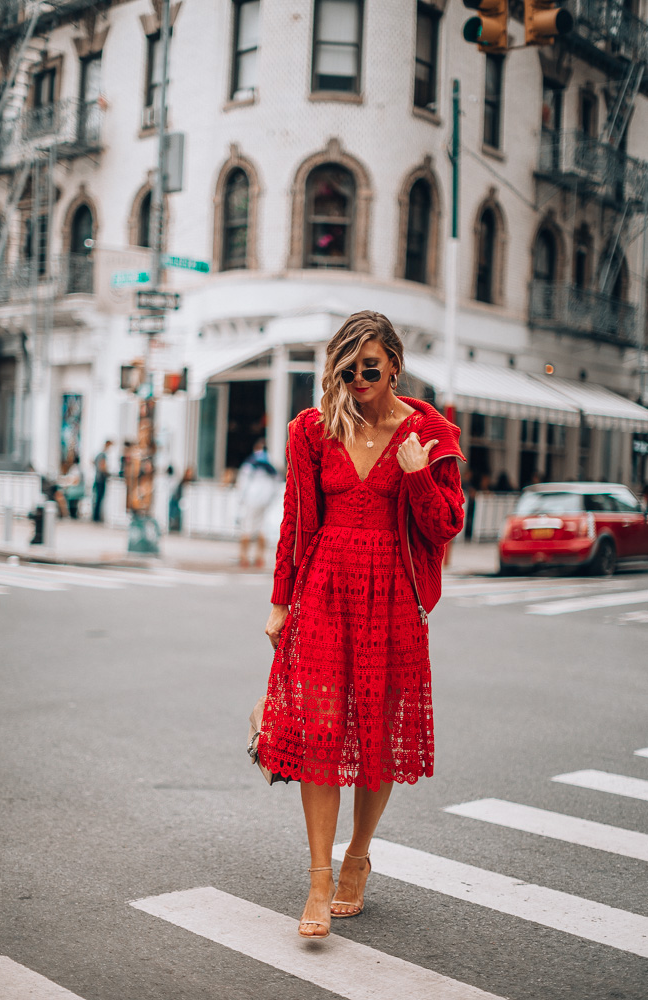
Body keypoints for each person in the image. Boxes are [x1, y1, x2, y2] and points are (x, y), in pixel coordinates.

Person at [258, 311, 465, 940]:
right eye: (346, 371)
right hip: (323, 589)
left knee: (375, 736)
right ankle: (319, 879)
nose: (357, 381)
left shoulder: (429, 433)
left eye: (368, 369)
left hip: (392, 598)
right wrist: (281, 600)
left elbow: (447, 525)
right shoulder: (314, 429)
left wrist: (416, 475)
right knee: (321, 733)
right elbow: (297, 521)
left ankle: (357, 856)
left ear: (394, 365)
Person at [236, 439, 279, 567]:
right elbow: (277, 482)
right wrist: (271, 499)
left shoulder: (251, 463)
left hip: (252, 499)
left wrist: (241, 499)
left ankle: (244, 557)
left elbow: (243, 482)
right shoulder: (271, 464)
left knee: (247, 527)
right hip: (266, 500)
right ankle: (259, 557)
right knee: (262, 528)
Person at [169, 466, 195, 532]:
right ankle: (172, 521)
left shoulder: (193, 482)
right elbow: (178, 492)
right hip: (180, 500)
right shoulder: (182, 482)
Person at [92, 439, 113, 522]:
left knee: (97, 498)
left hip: (97, 478)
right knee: (99, 499)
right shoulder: (103, 455)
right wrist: (107, 473)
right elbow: (102, 466)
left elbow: (92, 461)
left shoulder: (98, 454)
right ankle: (96, 517)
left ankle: (95, 516)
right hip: (101, 479)